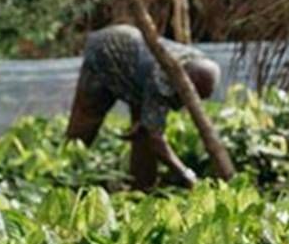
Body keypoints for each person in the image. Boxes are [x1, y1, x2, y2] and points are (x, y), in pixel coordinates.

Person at [66, 24, 221, 190]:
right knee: (86, 120)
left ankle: (142, 186)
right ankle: (66, 175)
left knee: (143, 132)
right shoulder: (160, 79)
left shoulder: (198, 62)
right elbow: (155, 137)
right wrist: (184, 173)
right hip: (105, 52)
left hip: (136, 65)